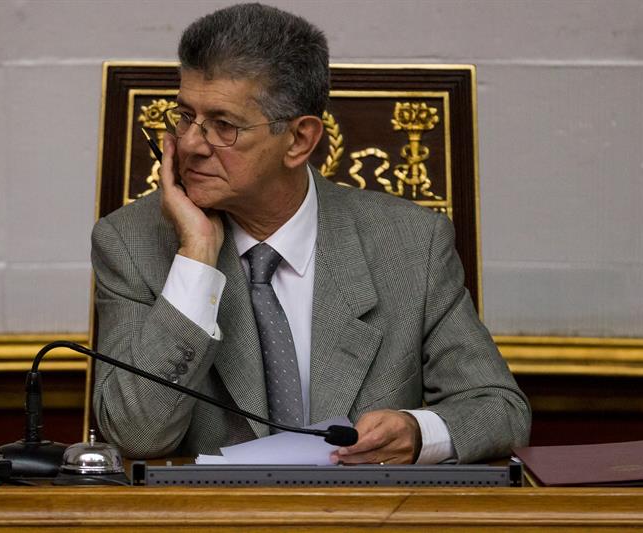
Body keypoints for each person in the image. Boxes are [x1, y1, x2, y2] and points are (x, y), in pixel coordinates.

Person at [91, 2, 530, 464]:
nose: (191, 144)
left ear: (299, 140)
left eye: (223, 125)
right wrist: (197, 257)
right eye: (184, 116)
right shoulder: (130, 243)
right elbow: (135, 434)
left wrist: (418, 433)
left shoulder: (412, 243)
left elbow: (500, 409)